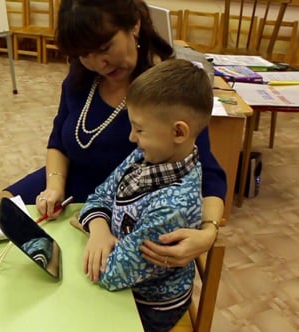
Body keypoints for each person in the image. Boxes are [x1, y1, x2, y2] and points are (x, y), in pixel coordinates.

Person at [0, 0, 224, 268]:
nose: (98, 63)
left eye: (105, 48)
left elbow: (207, 172)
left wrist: (208, 232)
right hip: (69, 184)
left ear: (135, 26)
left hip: (122, 207)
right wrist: (54, 186)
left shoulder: (168, 89)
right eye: (85, 54)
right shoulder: (82, 74)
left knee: (73, 269)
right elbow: (59, 137)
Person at [79, 59, 215, 331]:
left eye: (139, 129)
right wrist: (99, 230)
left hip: (148, 308)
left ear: (178, 131)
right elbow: (97, 197)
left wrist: (97, 227)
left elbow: (110, 274)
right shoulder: (145, 156)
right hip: (128, 284)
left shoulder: (170, 208)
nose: (131, 137)